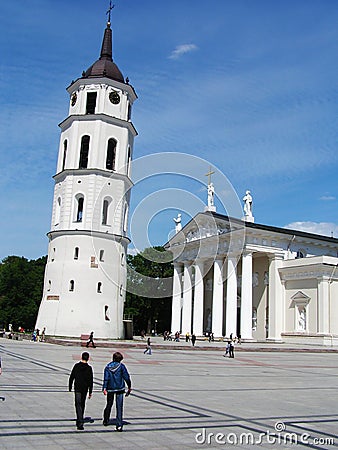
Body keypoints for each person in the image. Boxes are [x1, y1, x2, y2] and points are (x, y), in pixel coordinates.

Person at [102, 352, 131, 431]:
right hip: (120, 388)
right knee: (119, 407)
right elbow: (126, 377)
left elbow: (106, 378)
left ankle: (106, 419)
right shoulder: (121, 367)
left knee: (109, 404)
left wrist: (104, 387)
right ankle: (119, 424)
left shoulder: (107, 367)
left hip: (110, 388)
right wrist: (129, 386)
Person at [69, 352, 93, 430]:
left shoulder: (76, 366)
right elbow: (90, 381)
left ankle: (79, 421)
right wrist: (90, 391)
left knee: (77, 404)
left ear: (81, 357)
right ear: (88, 358)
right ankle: (80, 418)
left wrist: (70, 386)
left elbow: (72, 376)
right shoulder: (89, 368)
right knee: (82, 403)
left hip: (77, 388)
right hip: (85, 389)